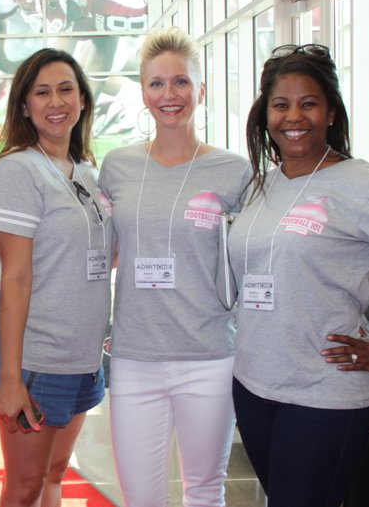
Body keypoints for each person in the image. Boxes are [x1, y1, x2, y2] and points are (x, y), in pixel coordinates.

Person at [229, 43, 369, 507]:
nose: (293, 116)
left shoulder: (367, 187)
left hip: (323, 394)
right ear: (265, 115)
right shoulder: (265, 182)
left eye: (308, 103)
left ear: (331, 112)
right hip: (254, 386)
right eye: (281, 104)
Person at [98, 27, 250, 507]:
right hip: (134, 356)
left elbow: (252, 258)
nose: (170, 95)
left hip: (209, 355)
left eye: (181, 82)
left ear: (200, 90)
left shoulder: (234, 170)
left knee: (205, 492)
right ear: (143, 92)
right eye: (157, 84)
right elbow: (107, 249)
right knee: (141, 497)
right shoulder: (117, 166)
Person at [0, 48, 113, 507]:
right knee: (23, 487)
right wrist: (11, 378)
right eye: (42, 92)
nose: (55, 101)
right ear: (23, 105)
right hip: (36, 358)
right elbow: (14, 277)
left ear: (82, 100)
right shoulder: (17, 169)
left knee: (54, 475)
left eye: (65, 89)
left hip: (81, 355)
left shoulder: (87, 172)